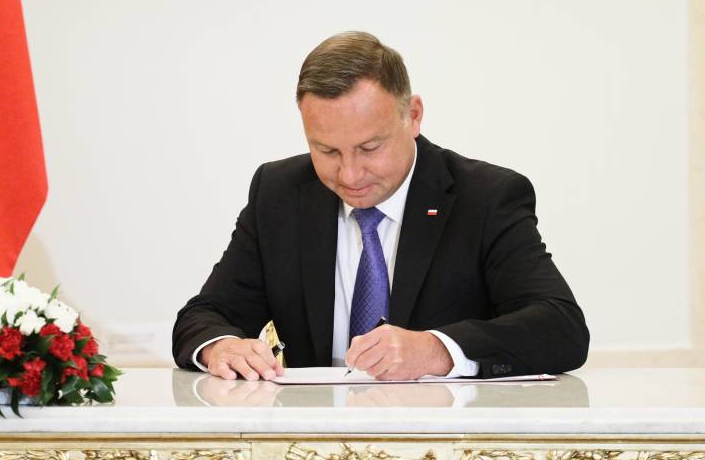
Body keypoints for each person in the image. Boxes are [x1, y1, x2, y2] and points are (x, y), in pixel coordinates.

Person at [172, 31, 589, 381]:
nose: (350, 175)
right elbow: (204, 315)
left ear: (413, 115)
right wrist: (220, 347)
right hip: (312, 436)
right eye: (327, 151)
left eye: (370, 148)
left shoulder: (486, 196)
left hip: (445, 434)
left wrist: (437, 350)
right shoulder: (279, 192)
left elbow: (561, 327)